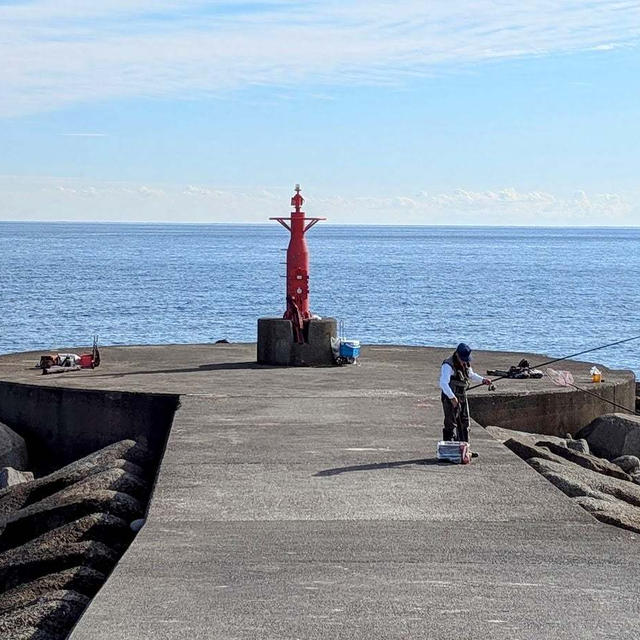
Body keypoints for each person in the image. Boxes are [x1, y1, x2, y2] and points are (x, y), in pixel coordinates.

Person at [439, 343, 491, 444]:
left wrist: (483, 380)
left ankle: (465, 448)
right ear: (457, 355)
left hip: (462, 395)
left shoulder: (466, 363)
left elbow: (470, 375)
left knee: (465, 422)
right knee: (451, 422)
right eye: (463, 359)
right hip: (450, 396)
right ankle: (449, 447)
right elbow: (443, 383)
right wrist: (452, 398)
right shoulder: (447, 365)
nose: (464, 361)